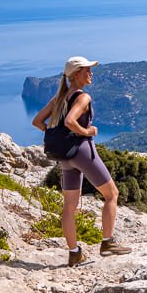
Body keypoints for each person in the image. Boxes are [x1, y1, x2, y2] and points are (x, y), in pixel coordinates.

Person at [32, 56, 131, 266]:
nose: (91, 73)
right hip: (83, 152)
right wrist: (87, 131)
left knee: (69, 207)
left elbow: (37, 121)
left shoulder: (59, 97)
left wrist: (56, 135)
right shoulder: (82, 97)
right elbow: (70, 121)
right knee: (112, 194)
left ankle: (74, 253)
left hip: (65, 158)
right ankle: (107, 243)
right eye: (87, 70)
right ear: (76, 74)